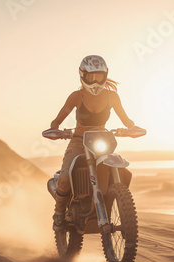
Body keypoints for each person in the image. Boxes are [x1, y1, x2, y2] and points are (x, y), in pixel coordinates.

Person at [49, 55, 142, 231]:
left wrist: (132, 128)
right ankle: (59, 213)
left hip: (102, 140)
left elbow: (126, 120)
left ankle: (113, 200)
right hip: (78, 142)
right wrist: (56, 130)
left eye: (99, 76)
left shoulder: (112, 97)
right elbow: (57, 120)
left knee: (121, 167)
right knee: (64, 177)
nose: (95, 81)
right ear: (82, 76)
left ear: (105, 75)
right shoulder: (76, 97)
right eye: (91, 77)